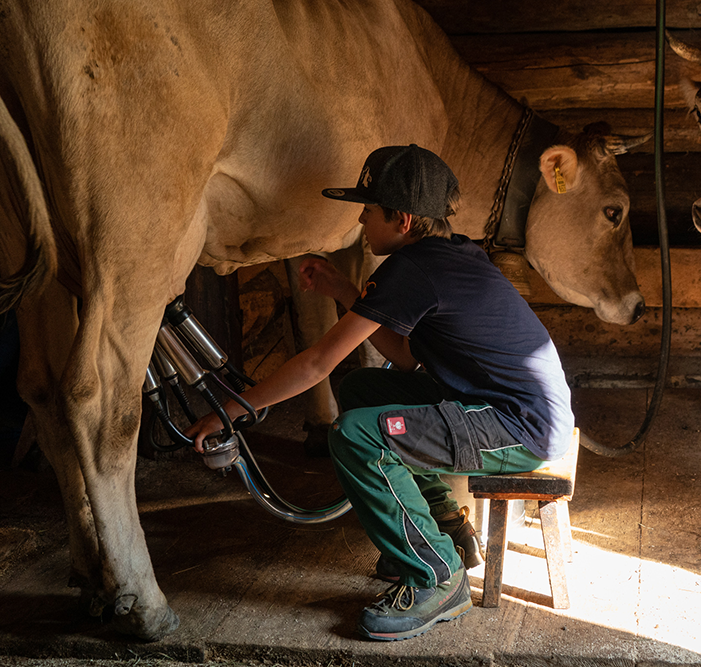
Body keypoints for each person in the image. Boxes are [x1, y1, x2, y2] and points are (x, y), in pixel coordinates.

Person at [185, 144, 574, 641]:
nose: (363, 222)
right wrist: (344, 291)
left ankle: (436, 578)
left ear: (403, 219)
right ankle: (447, 530)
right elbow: (410, 358)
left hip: (518, 427)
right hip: (508, 409)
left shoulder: (411, 270)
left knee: (355, 436)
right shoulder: (445, 255)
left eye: (368, 211)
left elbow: (317, 363)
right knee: (366, 388)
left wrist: (226, 411)